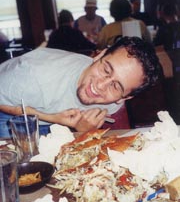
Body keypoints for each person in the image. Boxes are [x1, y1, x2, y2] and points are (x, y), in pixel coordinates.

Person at [0, 36, 161, 138]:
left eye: (115, 86)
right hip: (8, 112)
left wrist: (82, 130)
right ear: (99, 55)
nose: (100, 85)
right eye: (106, 69)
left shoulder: (115, 101)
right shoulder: (34, 74)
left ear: (125, 97)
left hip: (52, 121)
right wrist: (54, 119)